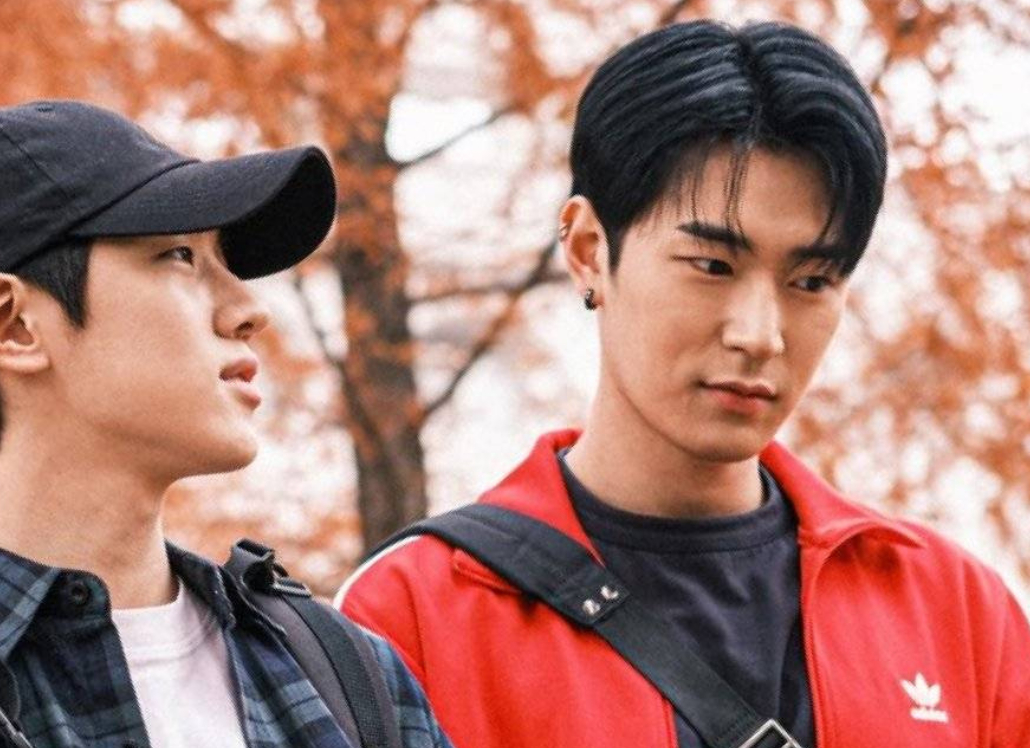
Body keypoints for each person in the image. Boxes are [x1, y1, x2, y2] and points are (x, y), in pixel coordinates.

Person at [336, 19, 1030, 748]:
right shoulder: (413, 614)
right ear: (588, 250)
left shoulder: (954, 611)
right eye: (713, 266)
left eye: (811, 281)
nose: (760, 334)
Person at [0, 100, 452, 748]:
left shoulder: (351, 673)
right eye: (180, 255)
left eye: (225, 262)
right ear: (12, 324)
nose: (248, 308)